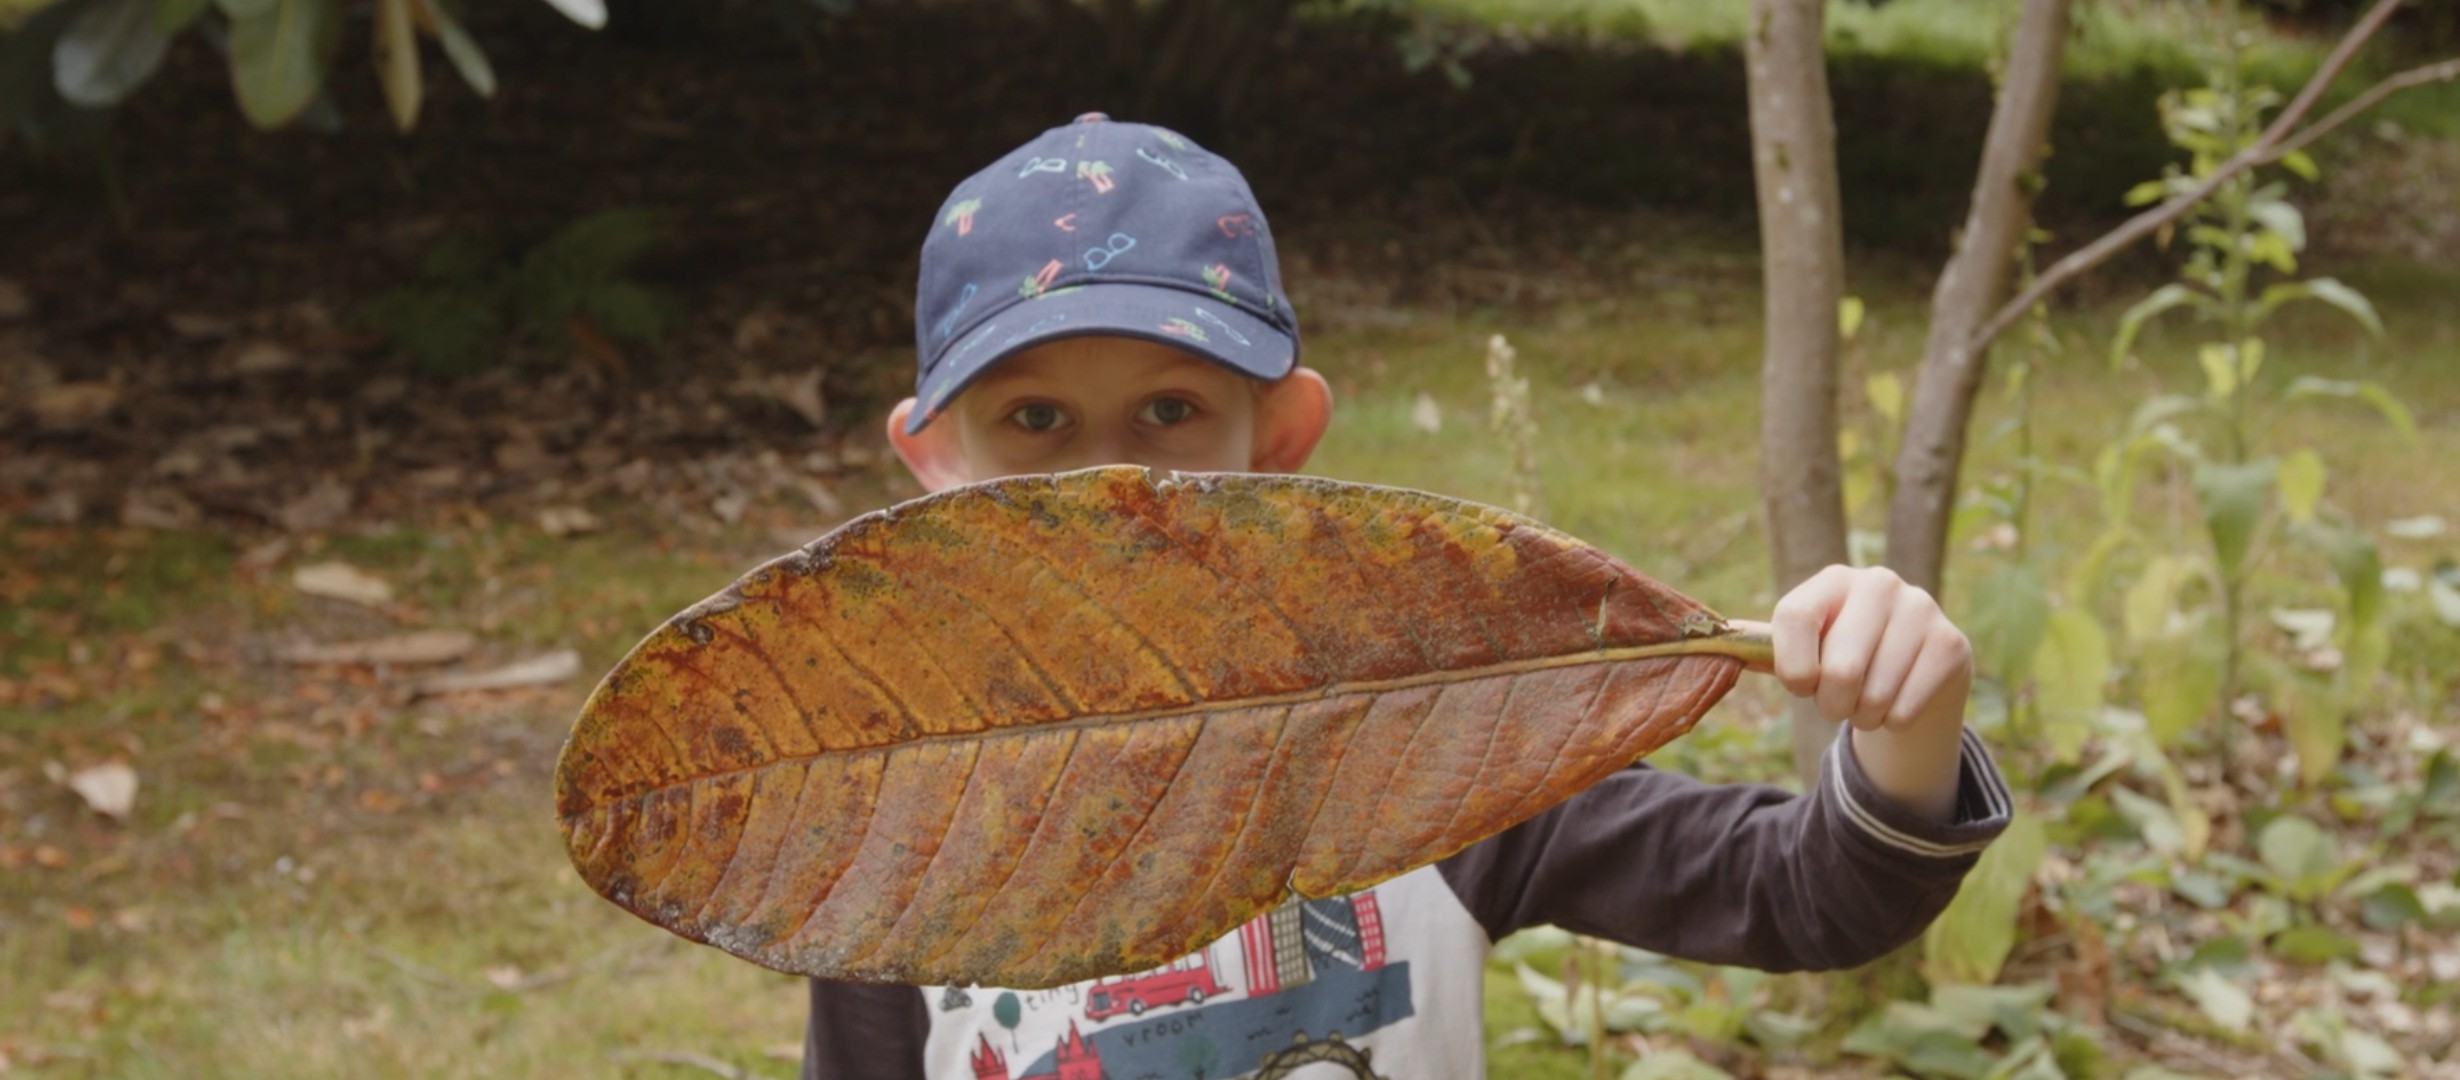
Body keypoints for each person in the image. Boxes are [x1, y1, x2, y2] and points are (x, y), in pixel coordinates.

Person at [803, 113, 2010, 1080]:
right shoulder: (891, 813)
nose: (1110, 478)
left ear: (1276, 439)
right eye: (1036, 419)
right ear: (937, 462)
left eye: (1170, 411)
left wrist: (1912, 720)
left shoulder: (1431, 736)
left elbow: (1803, 897)